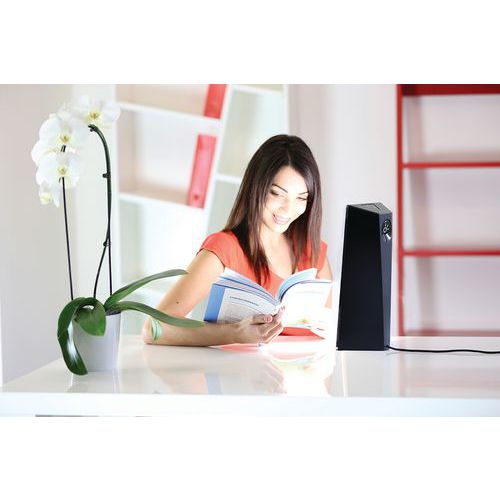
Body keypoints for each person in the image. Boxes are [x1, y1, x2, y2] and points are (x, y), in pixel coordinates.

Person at [142, 134, 333, 346]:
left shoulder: (314, 253)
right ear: (256, 187)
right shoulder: (224, 249)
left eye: (301, 198)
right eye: (277, 194)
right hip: (236, 368)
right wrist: (234, 333)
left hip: (303, 367)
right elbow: (154, 328)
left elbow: (327, 330)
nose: (288, 209)